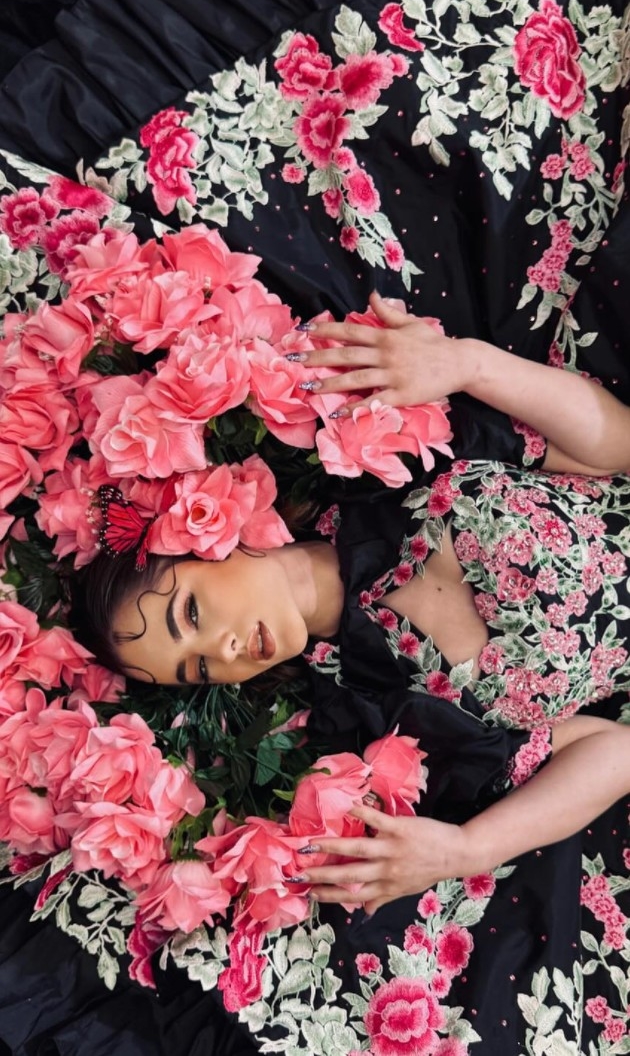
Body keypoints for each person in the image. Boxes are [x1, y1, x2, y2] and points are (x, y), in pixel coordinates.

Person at [77, 289, 630, 917]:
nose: (223, 651)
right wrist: (466, 849)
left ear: (216, 534)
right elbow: (615, 750)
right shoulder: (380, 719)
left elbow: (617, 447)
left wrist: (470, 364)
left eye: (193, 616)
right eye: (198, 668)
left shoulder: (390, 458)